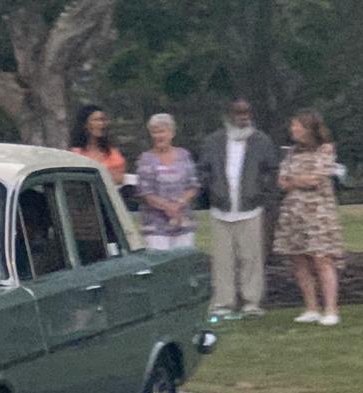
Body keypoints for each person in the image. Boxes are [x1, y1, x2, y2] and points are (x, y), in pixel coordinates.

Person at [198, 98, 279, 318]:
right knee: (223, 260)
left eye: (246, 113)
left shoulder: (262, 141)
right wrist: (213, 191)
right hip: (221, 209)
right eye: (238, 113)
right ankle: (223, 303)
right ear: (229, 115)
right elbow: (203, 171)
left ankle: (251, 302)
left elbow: (272, 172)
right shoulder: (213, 141)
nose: (243, 117)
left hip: (251, 208)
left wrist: (261, 194)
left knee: (251, 258)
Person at [273, 109, 344, 326]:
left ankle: (331, 309)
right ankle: (311, 307)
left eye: (297, 126)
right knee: (298, 259)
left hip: (319, 215)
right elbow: (281, 182)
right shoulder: (291, 153)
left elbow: (315, 179)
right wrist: (296, 180)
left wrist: (294, 180)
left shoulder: (325, 150)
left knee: (322, 259)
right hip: (294, 214)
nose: (293, 129)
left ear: (308, 128)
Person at [135, 113, 199, 250]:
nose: (158, 136)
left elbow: (193, 185)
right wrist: (168, 208)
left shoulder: (184, 155)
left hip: (184, 223)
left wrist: (179, 204)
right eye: (154, 132)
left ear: (171, 133)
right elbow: (145, 193)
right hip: (156, 228)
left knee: (183, 265)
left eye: (162, 131)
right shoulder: (145, 159)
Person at [70, 104, 126, 185]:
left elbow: (119, 178)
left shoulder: (111, 152)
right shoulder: (76, 154)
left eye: (102, 120)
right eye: (96, 120)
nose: (101, 124)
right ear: (85, 124)